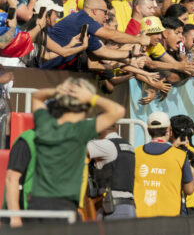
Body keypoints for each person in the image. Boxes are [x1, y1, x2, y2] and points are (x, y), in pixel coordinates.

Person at [27, 79, 125, 219]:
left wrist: (59, 92)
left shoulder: (44, 124)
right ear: (85, 107)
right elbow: (118, 110)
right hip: (64, 208)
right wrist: (91, 98)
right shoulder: (80, 130)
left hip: (36, 205)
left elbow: (37, 96)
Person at [133, 111, 194, 217]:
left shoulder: (136, 153)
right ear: (168, 130)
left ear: (149, 131)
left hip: (140, 216)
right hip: (170, 218)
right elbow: (189, 189)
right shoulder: (180, 156)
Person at [86, 127, 137, 220]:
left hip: (113, 209)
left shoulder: (106, 145)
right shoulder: (127, 145)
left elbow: (76, 148)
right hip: (129, 207)